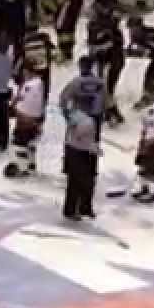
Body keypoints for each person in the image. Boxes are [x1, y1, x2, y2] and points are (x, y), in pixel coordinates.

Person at [59, 56, 107, 220]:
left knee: (75, 167)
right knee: (89, 169)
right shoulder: (100, 83)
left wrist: (69, 116)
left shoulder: (75, 83)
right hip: (94, 123)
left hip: (78, 122)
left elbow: (63, 100)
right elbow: (105, 102)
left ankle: (72, 206)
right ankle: (86, 205)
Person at [4, 64, 46, 178]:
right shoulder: (39, 83)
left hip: (26, 117)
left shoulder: (30, 85)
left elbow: (23, 100)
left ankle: (23, 167)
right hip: (34, 117)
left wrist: (13, 107)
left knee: (19, 143)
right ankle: (31, 164)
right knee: (30, 142)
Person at [87, 11, 127, 125]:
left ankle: (112, 113)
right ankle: (109, 112)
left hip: (111, 62)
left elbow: (99, 47)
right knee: (104, 87)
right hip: (107, 61)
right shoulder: (108, 31)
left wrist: (95, 50)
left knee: (106, 88)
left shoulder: (111, 33)